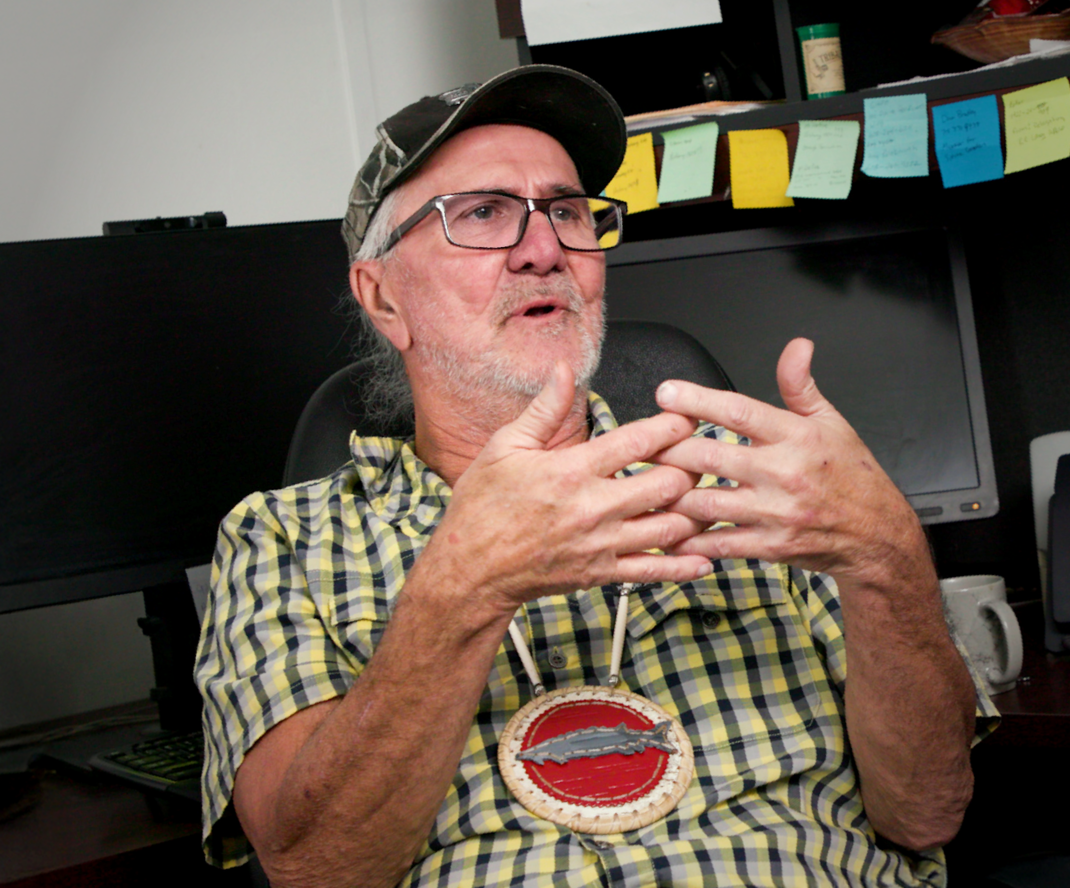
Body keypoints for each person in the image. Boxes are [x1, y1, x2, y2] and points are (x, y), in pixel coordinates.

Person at [195, 64, 997, 888]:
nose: (544, 251)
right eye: (482, 214)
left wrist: (887, 556)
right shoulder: (283, 540)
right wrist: (462, 591)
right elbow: (315, 868)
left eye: (567, 212)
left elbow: (925, 813)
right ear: (383, 298)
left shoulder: (757, 481)